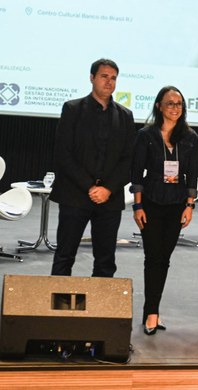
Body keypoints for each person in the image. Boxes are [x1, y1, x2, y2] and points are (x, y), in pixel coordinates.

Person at [50, 58, 135, 278]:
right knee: (65, 255)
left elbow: (128, 159)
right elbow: (63, 154)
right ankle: (57, 311)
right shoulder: (73, 109)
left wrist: (107, 189)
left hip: (110, 199)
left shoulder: (125, 115)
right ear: (92, 78)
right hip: (75, 196)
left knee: (106, 260)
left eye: (113, 78)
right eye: (104, 76)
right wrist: (90, 186)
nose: (109, 82)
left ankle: (101, 312)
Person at [130, 86, 198, 335]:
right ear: (159, 106)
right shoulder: (146, 135)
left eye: (179, 104)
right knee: (153, 257)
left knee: (164, 259)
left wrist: (190, 206)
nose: (175, 108)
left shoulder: (189, 136)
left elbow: (192, 174)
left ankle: (153, 310)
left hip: (176, 203)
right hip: (150, 201)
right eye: (170, 103)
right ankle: (151, 312)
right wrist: (137, 205)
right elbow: (137, 172)